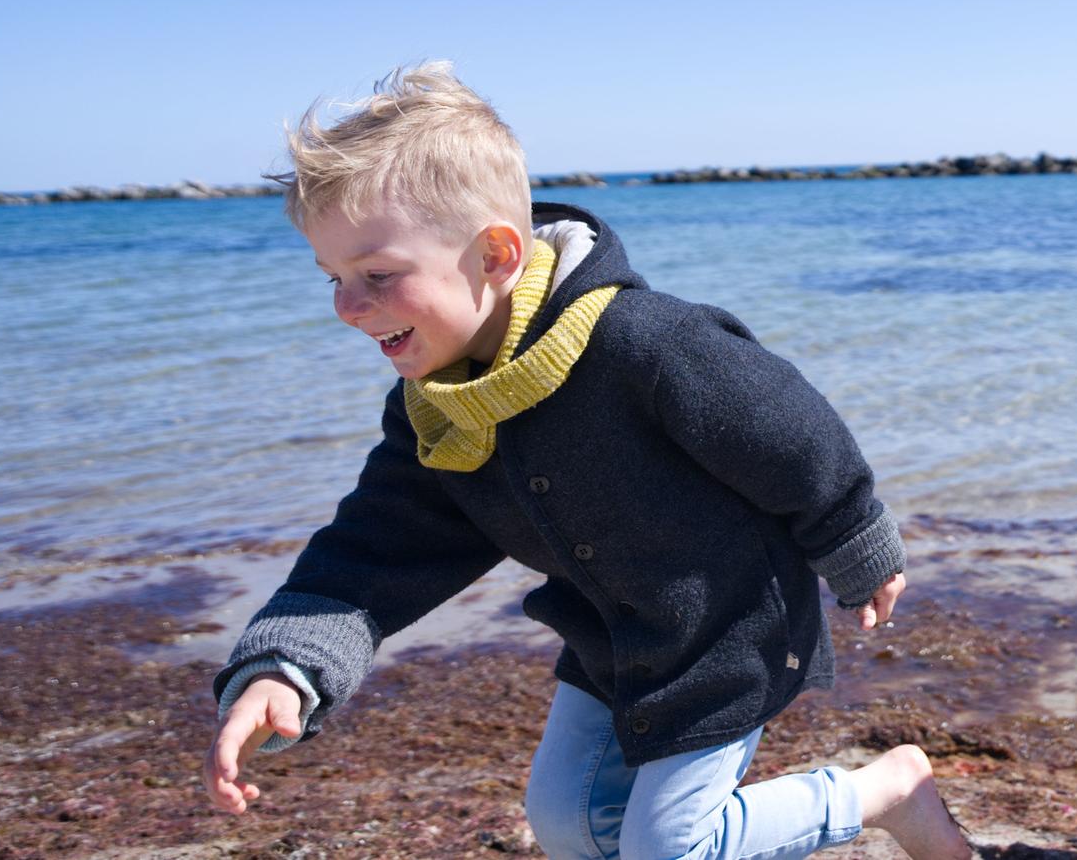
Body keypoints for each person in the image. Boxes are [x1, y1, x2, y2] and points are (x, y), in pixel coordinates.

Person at [199, 64, 971, 860]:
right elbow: (372, 551)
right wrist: (286, 667)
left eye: (377, 276)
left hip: (733, 623)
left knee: (672, 848)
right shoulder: (438, 407)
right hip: (614, 637)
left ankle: (885, 792)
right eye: (333, 278)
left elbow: (784, 426)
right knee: (570, 825)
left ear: (496, 254)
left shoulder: (640, 342)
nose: (347, 307)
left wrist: (853, 536)